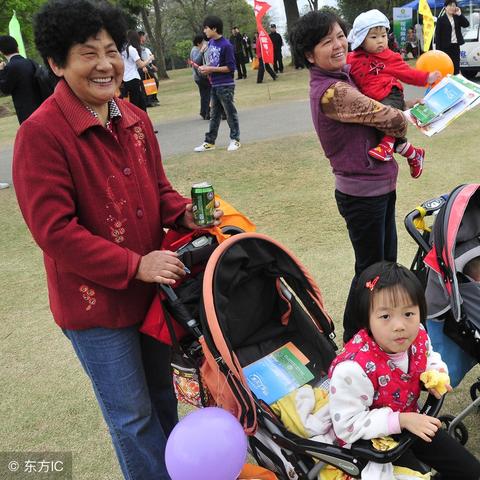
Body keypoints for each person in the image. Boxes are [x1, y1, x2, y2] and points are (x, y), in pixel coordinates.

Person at [12, 1, 223, 479]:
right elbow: (55, 232)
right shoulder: (41, 133)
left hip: (152, 297)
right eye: (88, 53)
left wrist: (184, 213)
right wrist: (136, 266)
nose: (106, 64)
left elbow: (159, 189)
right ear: (56, 63)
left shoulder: (131, 116)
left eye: (112, 51)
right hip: (96, 308)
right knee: (132, 418)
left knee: (163, 401)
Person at [290, 11, 408, 343]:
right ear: (310, 54)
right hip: (362, 194)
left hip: (378, 186)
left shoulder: (345, 77)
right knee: (371, 271)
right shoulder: (333, 91)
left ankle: (374, 334)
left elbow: (385, 110)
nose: (339, 44)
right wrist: (407, 113)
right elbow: (391, 119)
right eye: (327, 41)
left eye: (340, 35)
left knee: (383, 267)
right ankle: (354, 337)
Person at [328, 261, 480, 480]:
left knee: (470, 472)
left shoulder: (417, 334)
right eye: (385, 316)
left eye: (408, 313)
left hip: (411, 420)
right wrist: (401, 420)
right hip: (371, 441)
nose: (399, 325)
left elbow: (429, 357)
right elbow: (347, 425)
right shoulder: (352, 369)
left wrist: (436, 371)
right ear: (367, 320)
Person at [347, 10, 440, 178]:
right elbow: (343, 70)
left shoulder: (390, 57)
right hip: (373, 101)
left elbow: (407, 73)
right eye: (374, 37)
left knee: (389, 118)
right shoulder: (353, 59)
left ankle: (386, 147)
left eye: (383, 35)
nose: (381, 41)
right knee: (381, 131)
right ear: (360, 39)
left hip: (391, 93)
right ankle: (414, 154)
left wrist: (427, 77)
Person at [194, 15, 241, 152]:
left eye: (206, 28)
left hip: (225, 84)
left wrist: (210, 69)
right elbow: (214, 64)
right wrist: (207, 70)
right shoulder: (211, 44)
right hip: (214, 84)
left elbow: (231, 68)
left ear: (214, 28)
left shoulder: (226, 45)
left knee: (230, 112)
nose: (204, 31)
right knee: (214, 114)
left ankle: (235, 139)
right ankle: (209, 141)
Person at [0, 35, 43, 124]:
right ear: (17, 47)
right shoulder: (30, 62)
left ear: (1, 52)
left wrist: (1, 71)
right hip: (41, 107)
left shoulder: (10, 67)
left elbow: (5, 89)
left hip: (26, 112)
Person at [120, 30, 153, 111]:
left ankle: (143, 118)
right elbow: (141, 64)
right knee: (136, 103)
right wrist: (149, 58)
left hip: (125, 79)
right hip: (133, 79)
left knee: (140, 102)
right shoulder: (131, 49)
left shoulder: (122, 49)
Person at [435, 0, 470, 75]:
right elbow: (437, 36)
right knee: (446, 67)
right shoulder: (441, 19)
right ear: (445, 7)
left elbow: (466, 24)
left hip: (455, 46)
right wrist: (438, 51)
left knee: (456, 67)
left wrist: (460, 14)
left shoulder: (457, 17)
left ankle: (455, 83)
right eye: (450, 5)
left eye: (454, 5)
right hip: (444, 48)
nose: (452, 7)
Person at [190, 33, 211, 120]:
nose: (204, 43)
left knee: (204, 94)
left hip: (199, 76)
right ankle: (207, 113)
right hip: (200, 77)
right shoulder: (195, 50)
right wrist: (201, 51)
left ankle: (203, 112)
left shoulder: (196, 48)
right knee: (207, 94)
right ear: (198, 43)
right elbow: (196, 62)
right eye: (202, 41)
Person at [138, 31, 159, 107]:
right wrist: (143, 67)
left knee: (152, 83)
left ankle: (152, 99)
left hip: (147, 66)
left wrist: (152, 65)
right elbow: (139, 58)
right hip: (142, 67)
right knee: (147, 84)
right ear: (141, 36)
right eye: (144, 36)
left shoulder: (143, 47)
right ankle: (148, 101)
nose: (145, 38)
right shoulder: (137, 46)